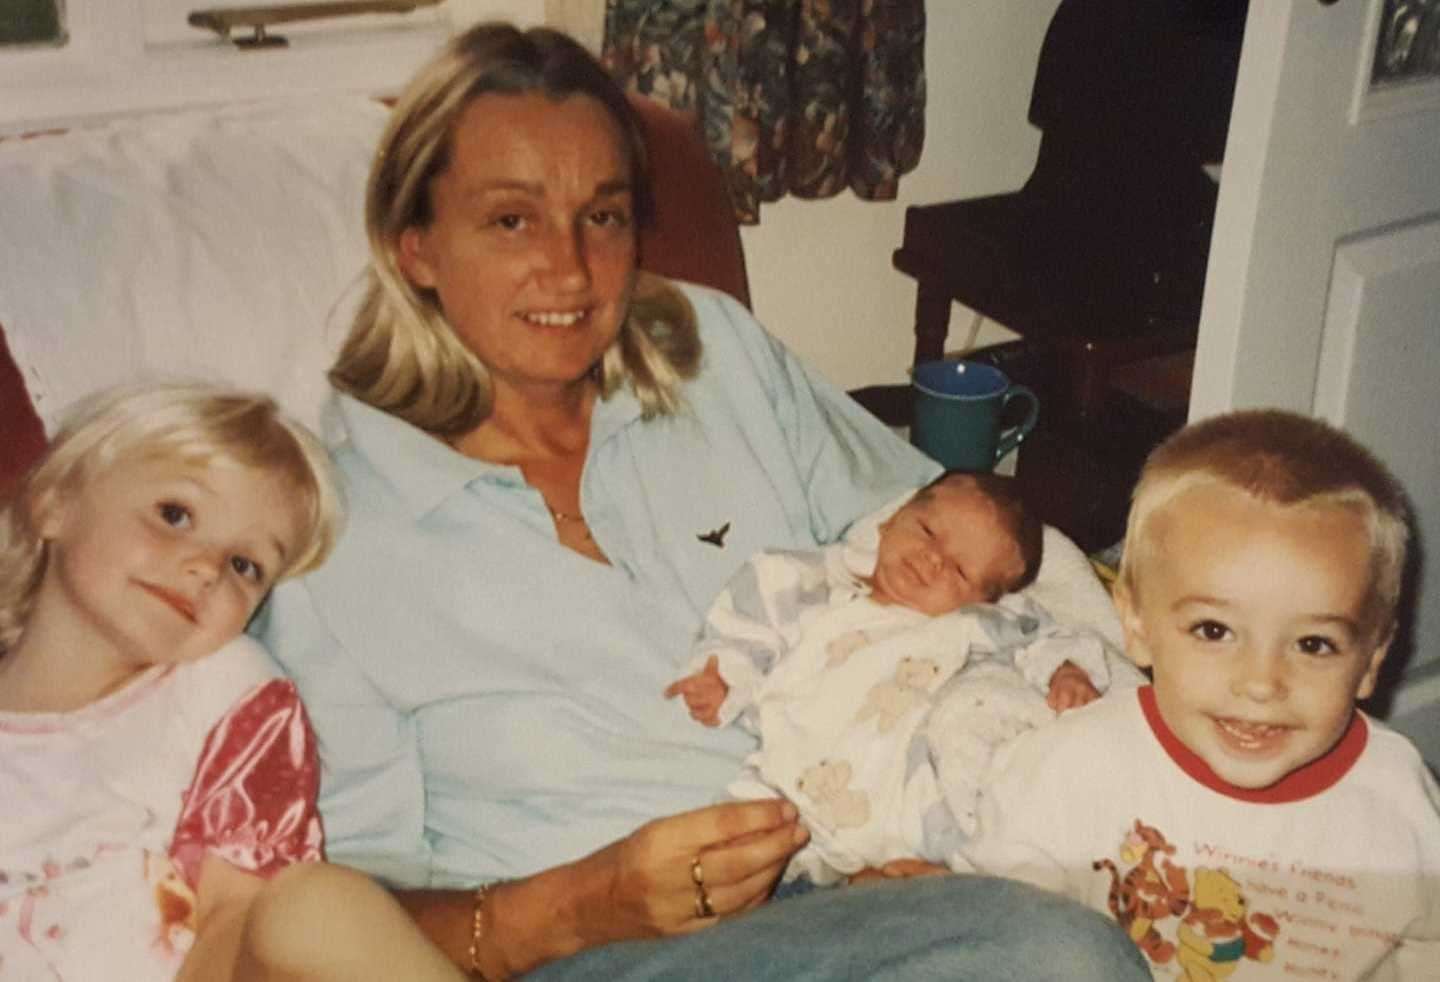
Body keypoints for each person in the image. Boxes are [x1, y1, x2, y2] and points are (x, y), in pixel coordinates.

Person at [255, 22, 1150, 980]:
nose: (569, 270)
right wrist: (581, 903)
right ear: (418, 246)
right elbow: (329, 914)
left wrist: (1139, 715)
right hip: (585, 951)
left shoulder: (715, 355)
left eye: (601, 217)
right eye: (511, 220)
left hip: (847, 890)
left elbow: (968, 538)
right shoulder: (329, 528)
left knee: (1065, 952)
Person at [0, 383, 464, 981]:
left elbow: (235, 917)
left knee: (317, 903)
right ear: (54, 501)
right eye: (175, 515)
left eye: (245, 566)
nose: (206, 567)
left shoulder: (219, 692)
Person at [961, 409, 1440, 979]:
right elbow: (993, 928)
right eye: (1214, 631)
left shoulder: (1395, 803)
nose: (1261, 684)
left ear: (1371, 662)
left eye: (1313, 644)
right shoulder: (1074, 764)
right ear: (1136, 624)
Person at [666, 472, 1135, 881]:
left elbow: (1041, 633)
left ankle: (951, 879)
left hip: (903, 792)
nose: (931, 559)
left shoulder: (967, 624)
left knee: (977, 789)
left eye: (957, 568)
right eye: (927, 530)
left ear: (982, 601)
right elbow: (749, 618)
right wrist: (724, 674)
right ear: (891, 520)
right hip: (792, 770)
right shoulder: (816, 587)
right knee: (726, 844)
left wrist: (1067, 670)